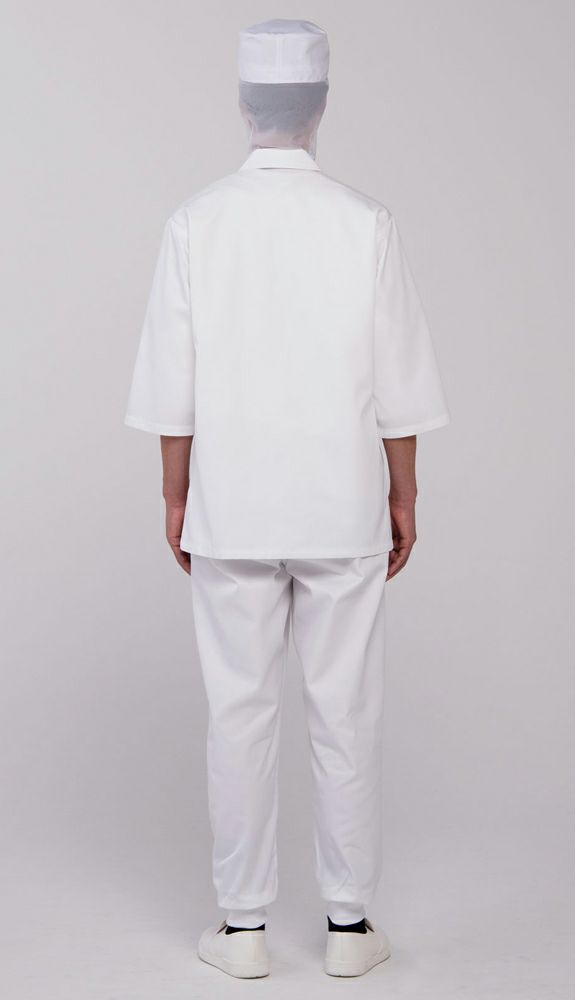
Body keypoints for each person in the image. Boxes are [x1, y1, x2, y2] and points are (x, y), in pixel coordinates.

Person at [125, 18, 450, 980]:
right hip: (341, 503)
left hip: (231, 504)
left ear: (242, 104)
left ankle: (242, 930)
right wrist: (403, 494)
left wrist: (175, 496)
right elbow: (398, 380)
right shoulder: (364, 222)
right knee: (345, 712)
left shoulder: (196, 222)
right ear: (321, 105)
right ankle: (349, 927)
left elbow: (172, 386)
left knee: (239, 713)